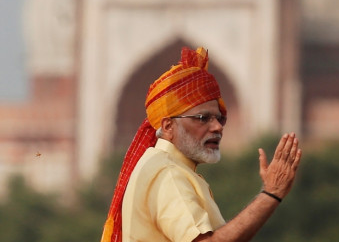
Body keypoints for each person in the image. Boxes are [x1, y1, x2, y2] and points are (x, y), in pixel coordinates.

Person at [100, 46, 302, 242]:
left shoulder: (165, 167)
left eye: (219, 118)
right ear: (169, 126)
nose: (217, 127)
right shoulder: (167, 173)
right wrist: (271, 193)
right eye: (202, 118)